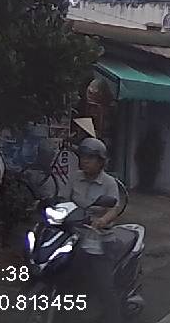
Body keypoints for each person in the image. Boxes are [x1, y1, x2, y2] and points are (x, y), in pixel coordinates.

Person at [68, 137, 123, 323]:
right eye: (83, 157)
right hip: (75, 235)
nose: (85, 161)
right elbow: (64, 200)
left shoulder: (109, 183)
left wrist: (102, 220)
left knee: (104, 285)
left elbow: (114, 208)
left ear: (101, 162)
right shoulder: (75, 177)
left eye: (90, 158)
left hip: (99, 237)